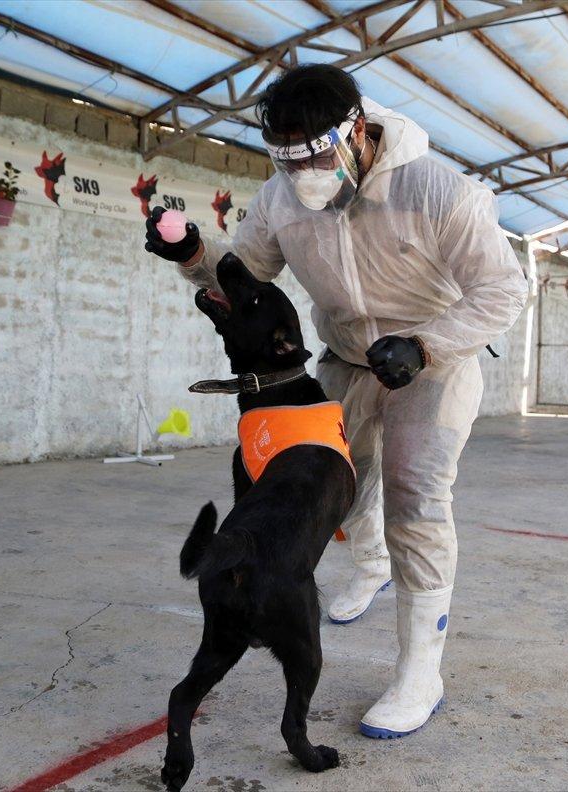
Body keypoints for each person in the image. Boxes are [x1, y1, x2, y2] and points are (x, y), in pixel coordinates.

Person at [144, 64, 527, 738]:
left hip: (431, 363)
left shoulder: (440, 191)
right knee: (332, 486)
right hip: (345, 363)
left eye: (317, 156)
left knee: (415, 499)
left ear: (358, 131)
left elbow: (501, 291)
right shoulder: (282, 199)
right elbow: (247, 277)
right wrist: (193, 253)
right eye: (287, 160)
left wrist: (426, 344)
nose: (304, 175)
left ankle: (419, 671)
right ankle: (372, 567)